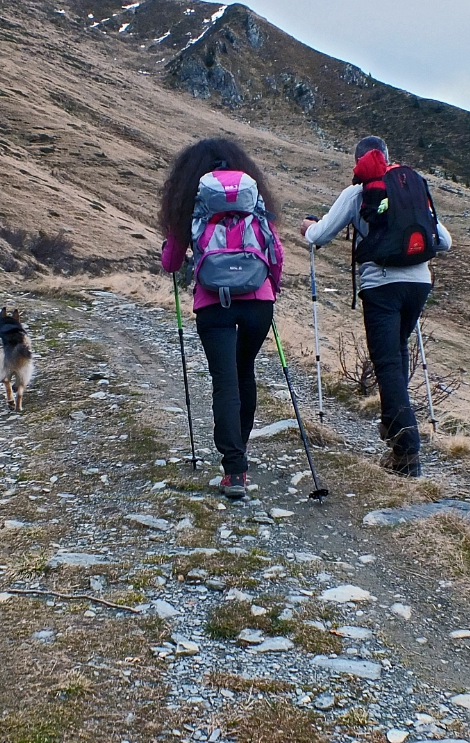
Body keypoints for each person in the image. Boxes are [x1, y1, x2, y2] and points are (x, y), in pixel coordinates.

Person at [301, 136, 451, 476]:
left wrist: (308, 227)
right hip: (419, 283)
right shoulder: (409, 187)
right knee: (395, 353)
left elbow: (320, 236)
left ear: (357, 161)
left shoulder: (358, 193)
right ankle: (391, 424)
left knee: (386, 363)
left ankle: (406, 453)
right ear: (388, 157)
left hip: (382, 286)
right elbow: (444, 241)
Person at [159, 137, 284, 500]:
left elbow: (170, 263)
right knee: (245, 372)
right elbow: (275, 253)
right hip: (258, 303)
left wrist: (173, 242)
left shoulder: (192, 204)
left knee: (225, 380)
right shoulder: (253, 201)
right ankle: (240, 450)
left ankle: (234, 470)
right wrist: (269, 287)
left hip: (213, 305)